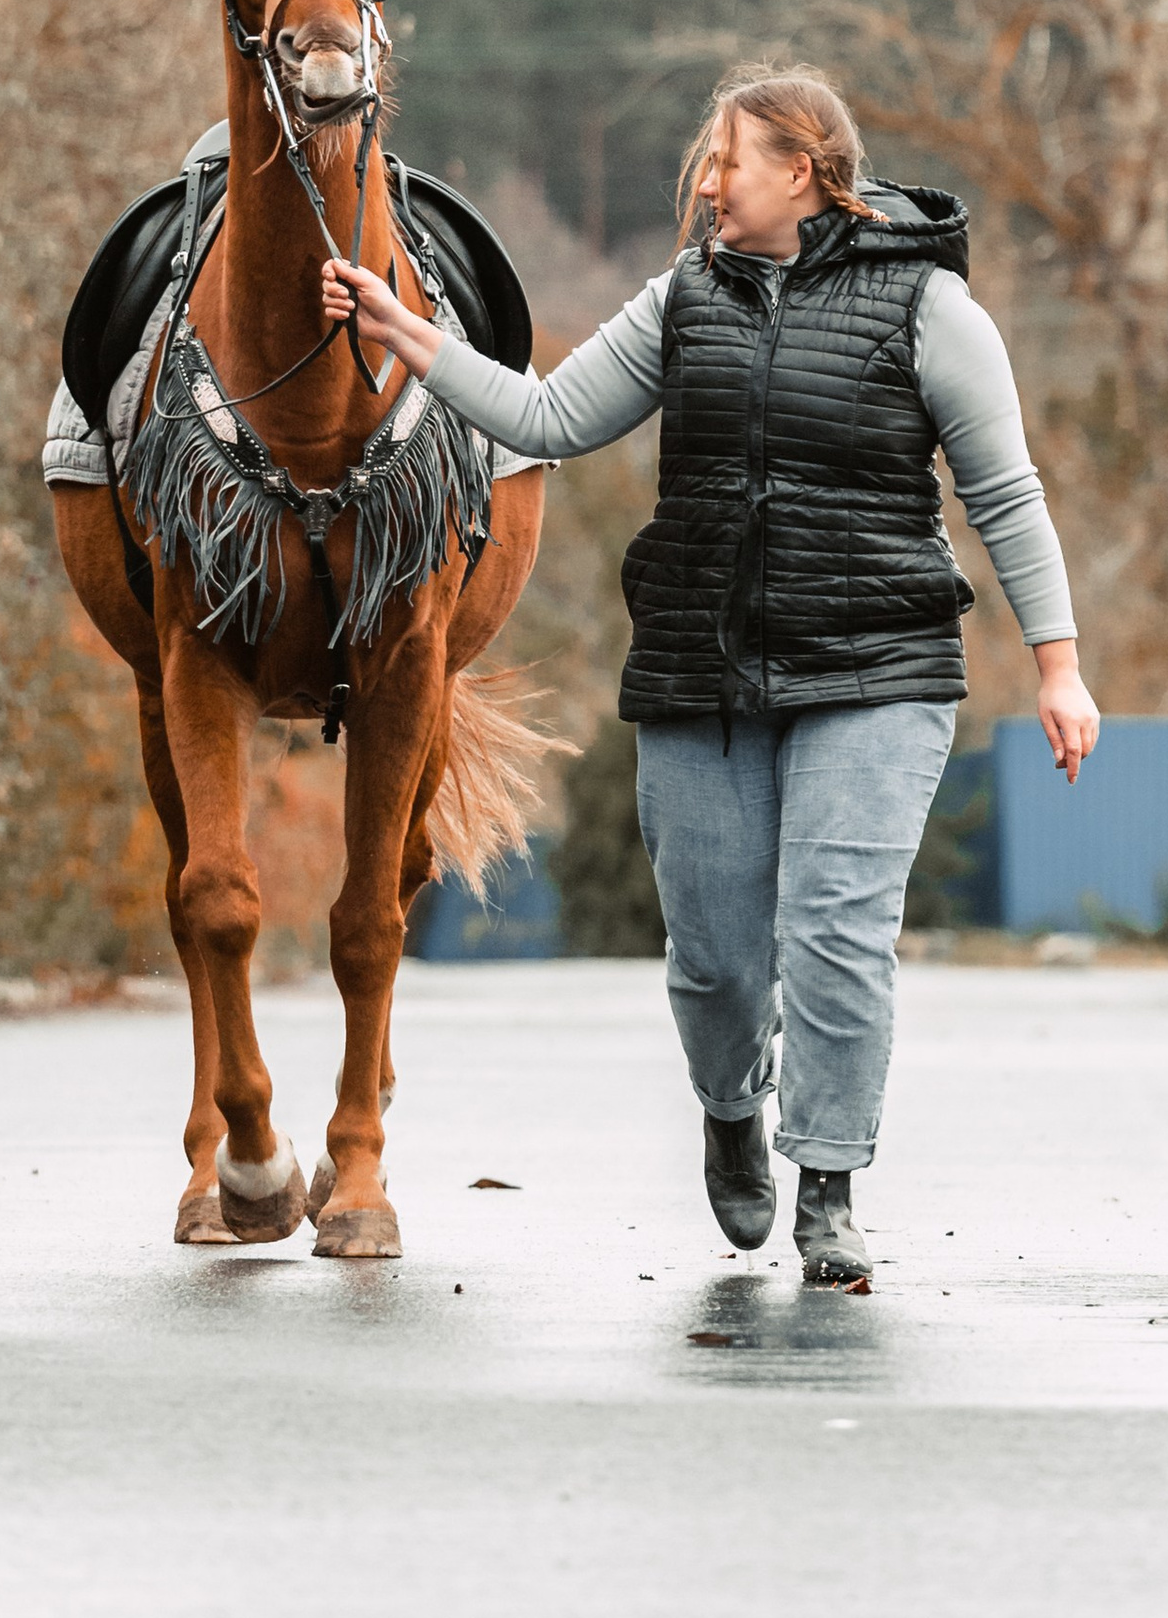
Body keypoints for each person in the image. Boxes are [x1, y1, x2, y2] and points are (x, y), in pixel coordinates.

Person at [324, 66, 1098, 1285]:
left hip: (877, 667)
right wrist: (410, 340)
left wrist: (1058, 666)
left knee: (835, 935)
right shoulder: (681, 300)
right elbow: (544, 419)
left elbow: (1003, 493)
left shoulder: (928, 307)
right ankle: (732, 1110)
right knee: (716, 958)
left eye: (724, 159)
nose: (703, 181)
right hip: (702, 669)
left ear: (801, 169)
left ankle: (830, 1179)